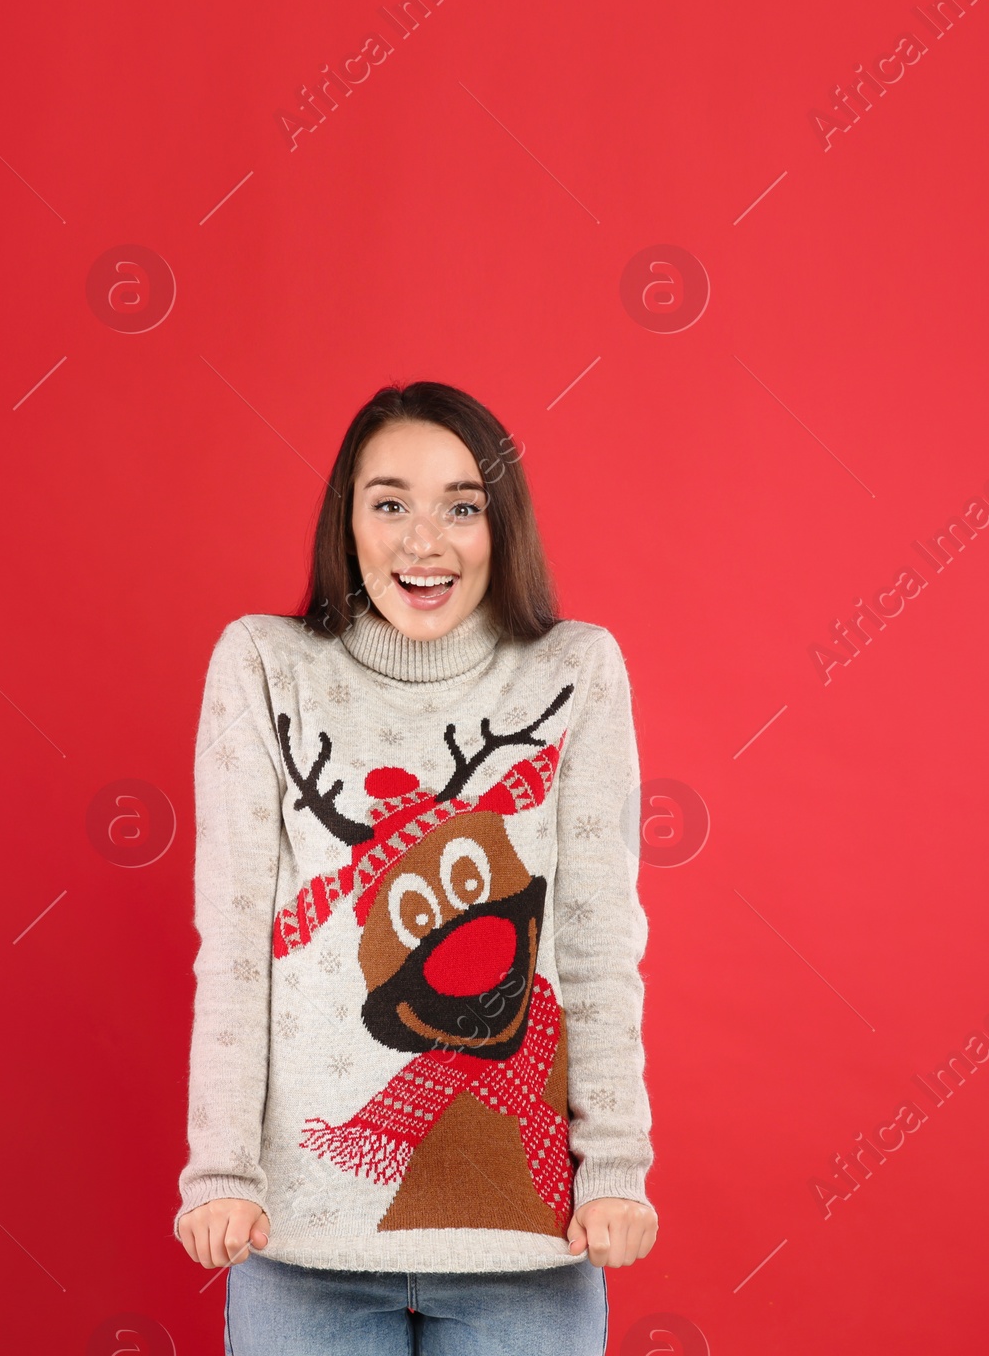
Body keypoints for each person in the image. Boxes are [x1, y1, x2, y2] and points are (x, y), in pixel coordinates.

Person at [174, 380, 656, 1354]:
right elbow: (232, 951)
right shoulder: (263, 666)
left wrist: (615, 1167)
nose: (421, 539)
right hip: (297, 1247)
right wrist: (219, 1170)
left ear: (500, 524)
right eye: (388, 501)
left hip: (529, 1244)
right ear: (345, 522)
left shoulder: (577, 671)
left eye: (461, 506)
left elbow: (599, 944)